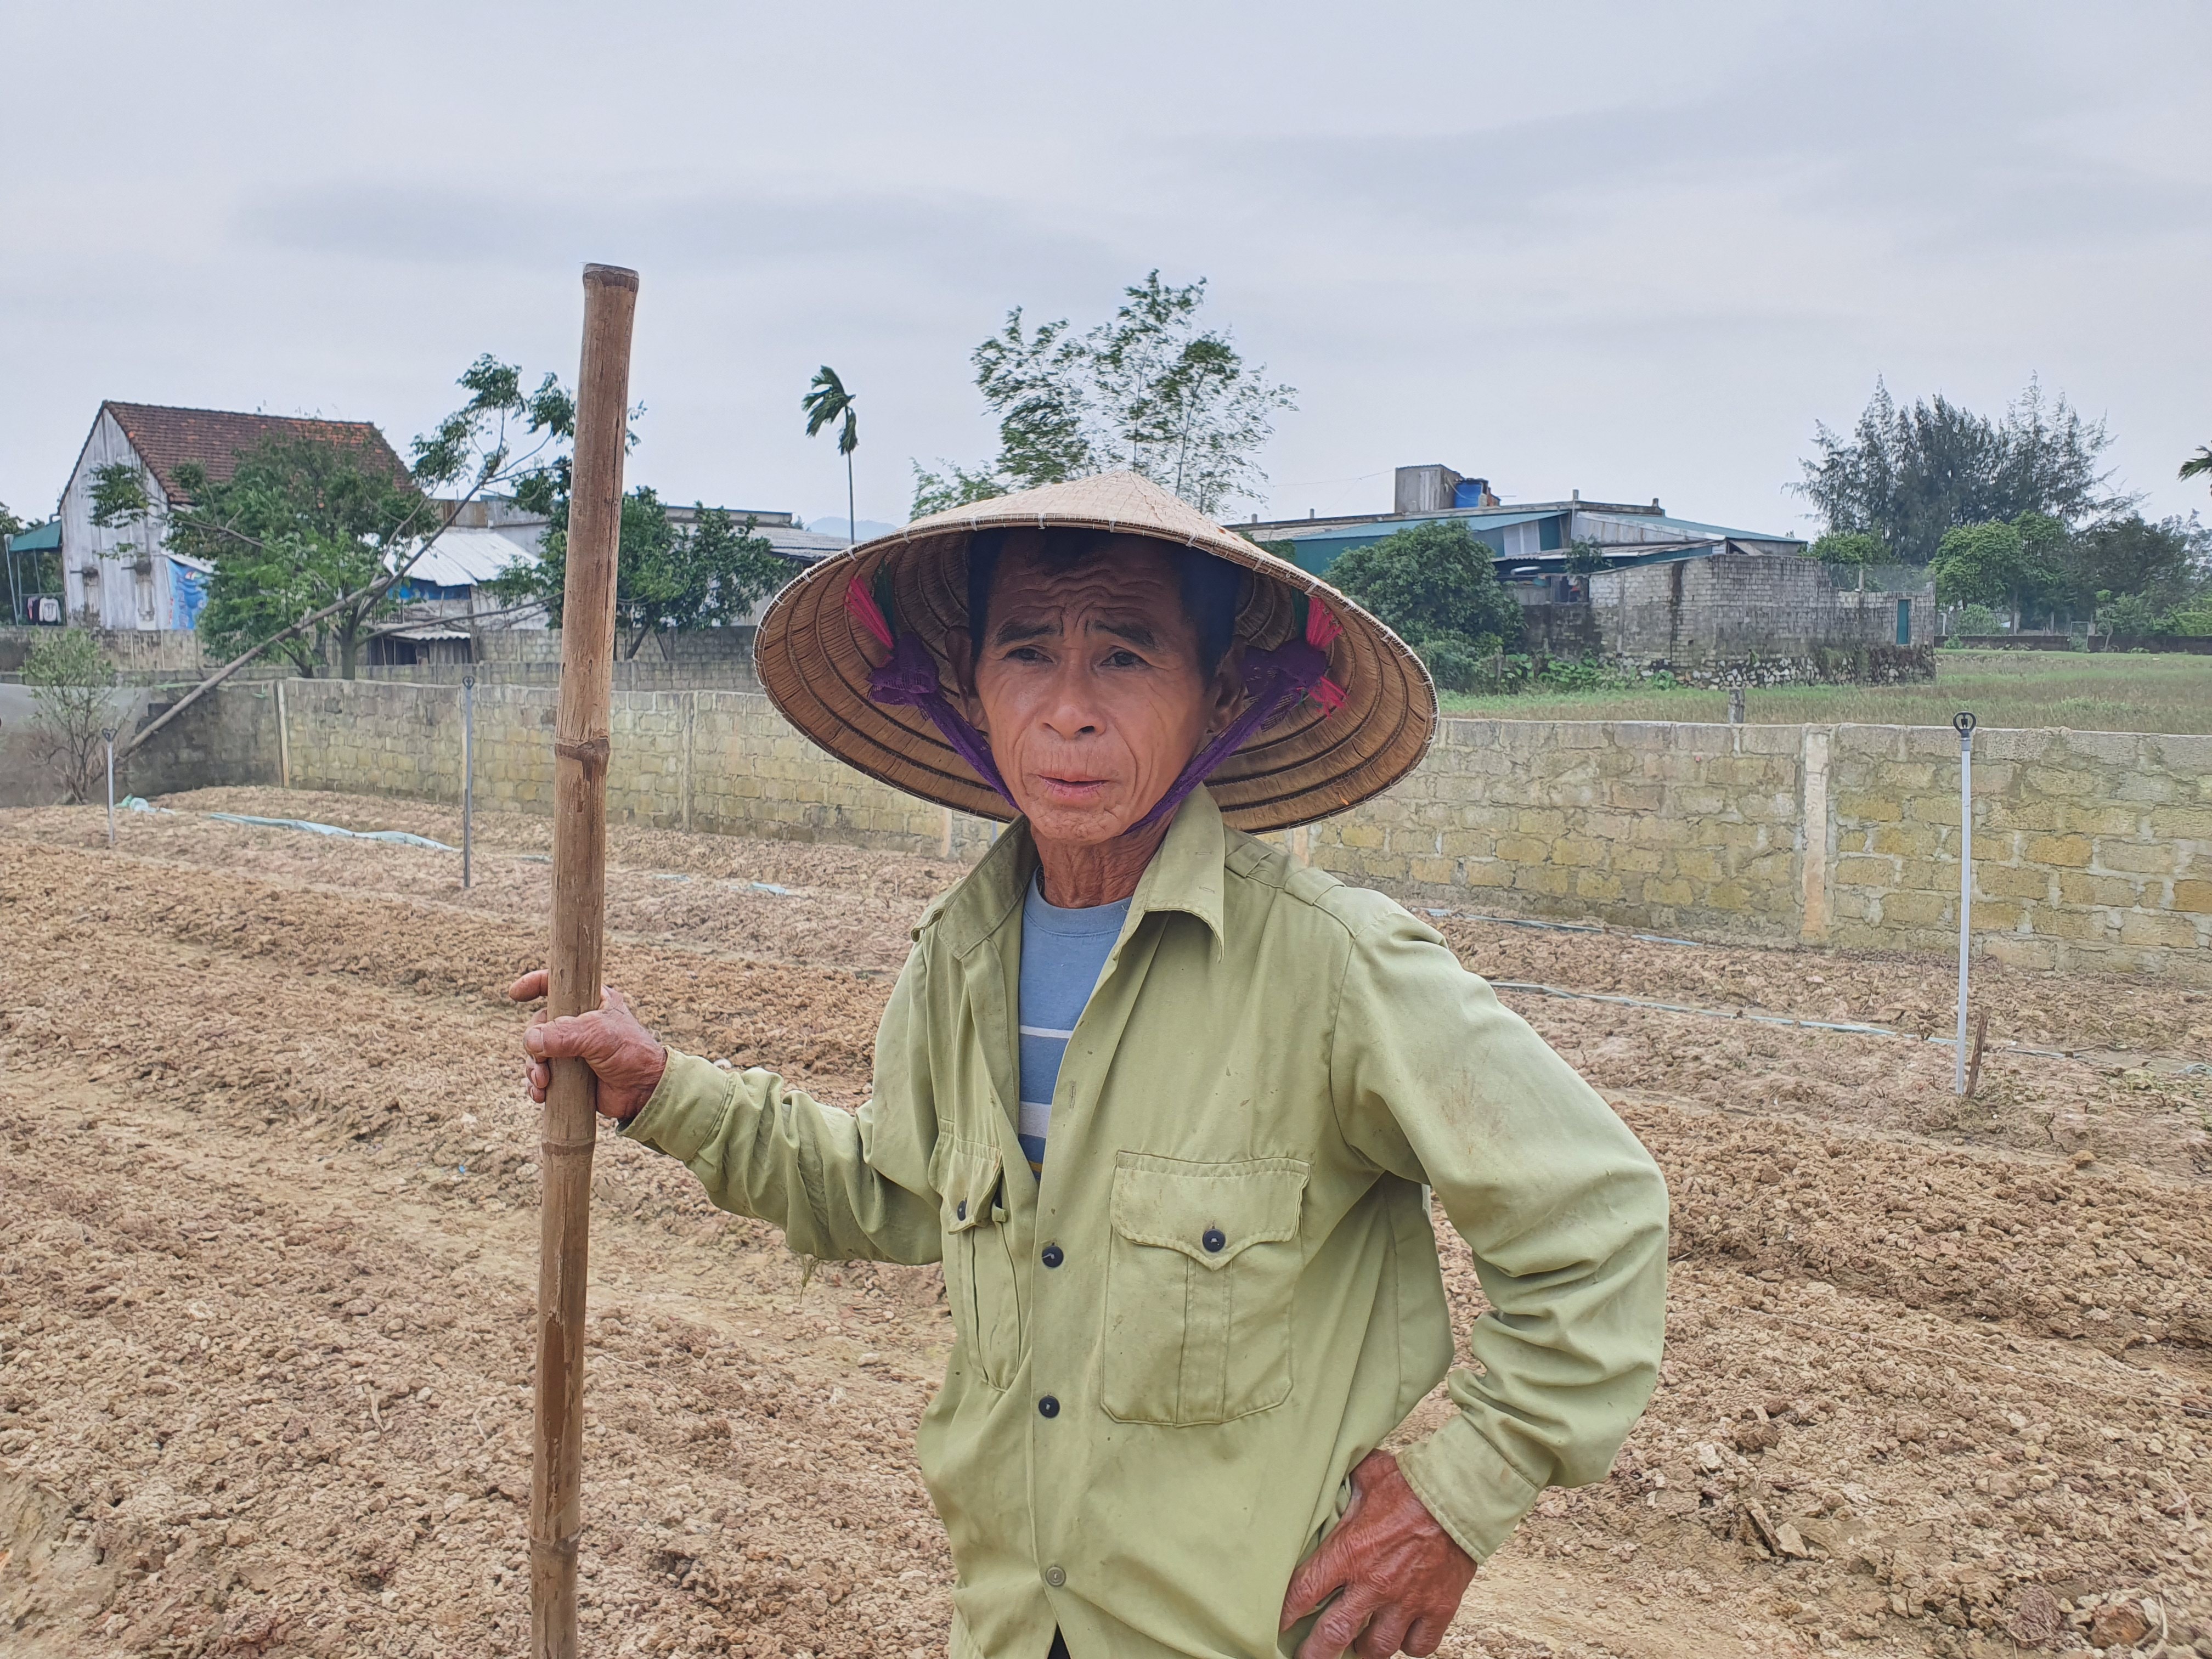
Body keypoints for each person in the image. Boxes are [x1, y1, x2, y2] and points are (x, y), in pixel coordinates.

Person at [514, 473, 1668, 1659]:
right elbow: (893, 1189)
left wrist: (1456, 1504)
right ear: (971, 687)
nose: (1068, 710)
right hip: (1016, 1623)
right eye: (1027, 653)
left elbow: (1598, 1215)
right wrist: (662, 1089)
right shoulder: (960, 961)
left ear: (1217, 693)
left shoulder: (1334, 969)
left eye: (1125, 657)